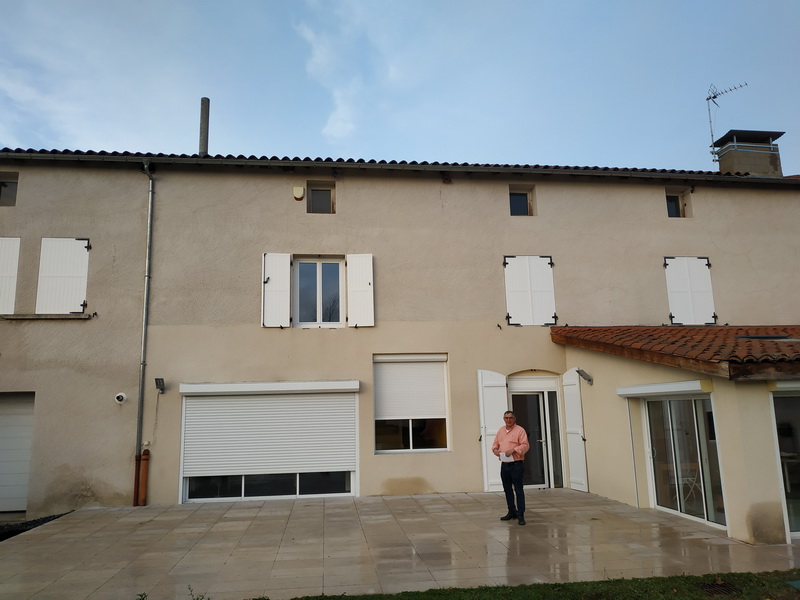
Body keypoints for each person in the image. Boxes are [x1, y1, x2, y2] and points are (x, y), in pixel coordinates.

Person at [492, 410, 530, 525]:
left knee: (518, 490)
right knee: (507, 489)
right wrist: (495, 450)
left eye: (510, 418)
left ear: (514, 419)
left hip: (516, 465)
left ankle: (520, 514)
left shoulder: (520, 430)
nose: (508, 420)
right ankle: (511, 511)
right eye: (506, 418)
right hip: (505, 465)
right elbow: (495, 443)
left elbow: (525, 445)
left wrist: (514, 450)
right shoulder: (501, 431)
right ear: (504, 419)